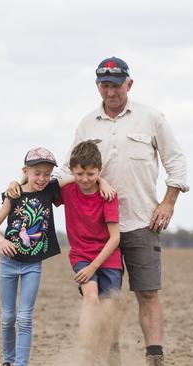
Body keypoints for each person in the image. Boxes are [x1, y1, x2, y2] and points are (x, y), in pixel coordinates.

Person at [55, 57, 189, 366]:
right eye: (104, 85)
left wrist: (168, 201)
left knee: (148, 293)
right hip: (99, 231)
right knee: (108, 300)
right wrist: (32, 185)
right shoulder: (87, 123)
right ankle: (110, 358)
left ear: (129, 84)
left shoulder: (152, 118)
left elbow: (177, 160)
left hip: (143, 221)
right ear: (97, 86)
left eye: (116, 85)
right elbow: (68, 167)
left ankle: (154, 358)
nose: (110, 91)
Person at [0, 147, 64, 366]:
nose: (42, 178)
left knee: (25, 318)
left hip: (33, 265)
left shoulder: (50, 190)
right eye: (37, 173)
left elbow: (77, 177)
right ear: (26, 171)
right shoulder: (14, 194)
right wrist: (2, 241)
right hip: (8, 264)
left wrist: (103, 182)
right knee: (8, 318)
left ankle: (21, 364)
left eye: (47, 174)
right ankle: (8, 361)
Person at [56, 140, 122, 366]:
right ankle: (85, 354)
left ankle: (101, 361)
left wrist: (94, 266)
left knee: (107, 312)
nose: (85, 179)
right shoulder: (67, 190)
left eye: (91, 174)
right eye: (79, 173)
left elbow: (115, 238)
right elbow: (40, 184)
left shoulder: (108, 196)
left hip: (108, 257)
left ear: (99, 171)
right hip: (81, 255)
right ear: (72, 171)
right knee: (91, 299)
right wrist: (16, 181)